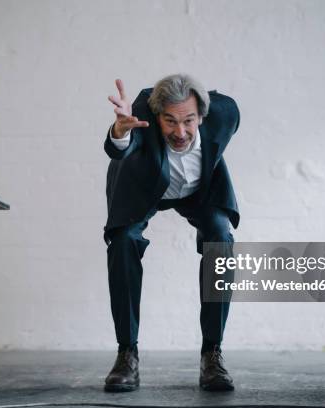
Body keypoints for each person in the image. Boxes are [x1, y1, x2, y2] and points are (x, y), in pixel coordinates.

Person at [103, 74, 240, 392]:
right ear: (156, 117)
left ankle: (212, 354)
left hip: (198, 191)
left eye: (189, 121)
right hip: (145, 187)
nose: (180, 132)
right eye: (170, 121)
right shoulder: (141, 122)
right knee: (123, 242)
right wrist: (120, 132)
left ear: (202, 116)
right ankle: (127, 354)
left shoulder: (224, 116)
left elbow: (220, 114)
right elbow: (120, 147)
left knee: (220, 240)